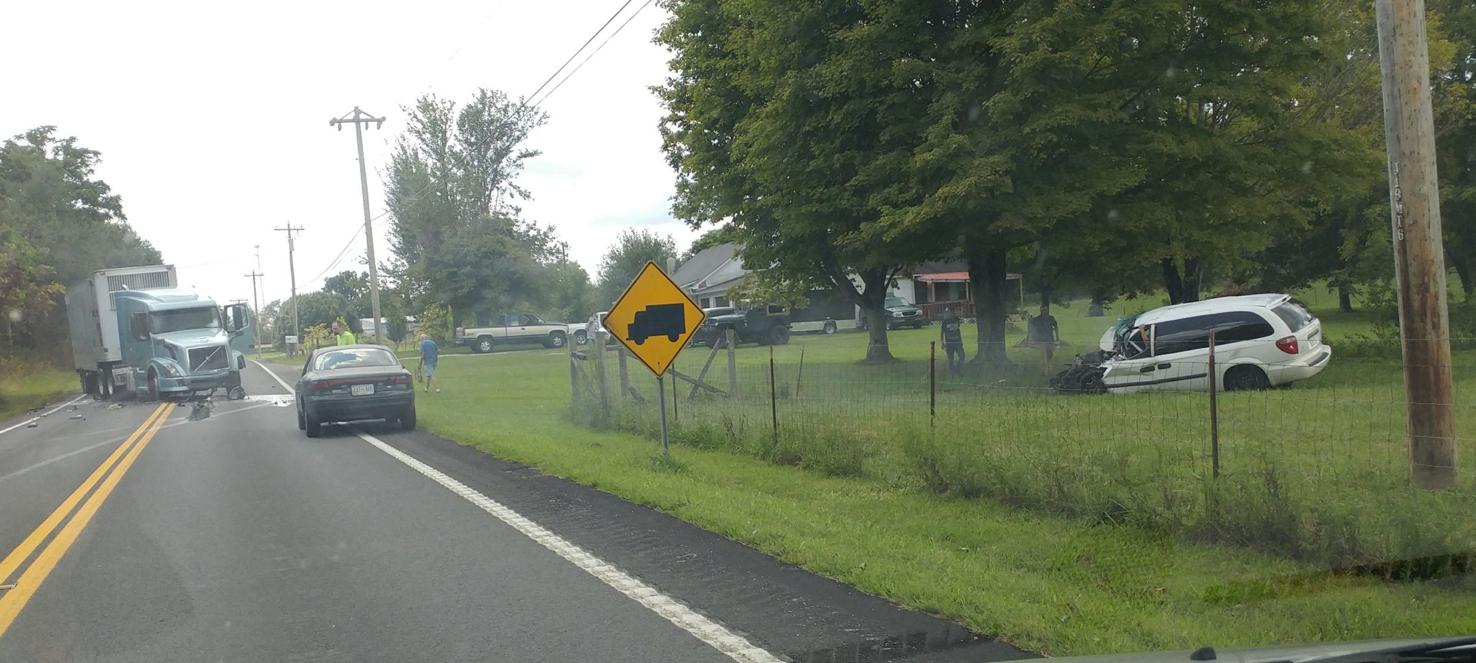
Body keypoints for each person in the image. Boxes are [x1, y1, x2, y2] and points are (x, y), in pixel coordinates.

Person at [1026, 303, 1061, 374]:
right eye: (1042, 310)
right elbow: (1031, 326)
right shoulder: (1037, 319)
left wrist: (1057, 337)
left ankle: (1048, 369)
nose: (1044, 311)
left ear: (1047, 310)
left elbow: (1056, 327)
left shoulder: (1051, 318)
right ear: (1040, 310)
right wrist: (1029, 320)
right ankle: (1044, 370)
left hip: (1050, 340)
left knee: (1050, 354)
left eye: (1045, 310)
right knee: (1043, 353)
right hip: (1041, 340)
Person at [940, 306, 966, 376]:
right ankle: (952, 373)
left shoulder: (956, 319)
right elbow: (942, 333)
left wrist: (961, 342)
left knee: (962, 356)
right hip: (949, 343)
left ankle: (958, 370)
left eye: (952, 312)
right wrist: (942, 342)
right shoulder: (945, 322)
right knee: (950, 359)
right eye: (948, 312)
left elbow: (958, 330)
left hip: (958, 342)